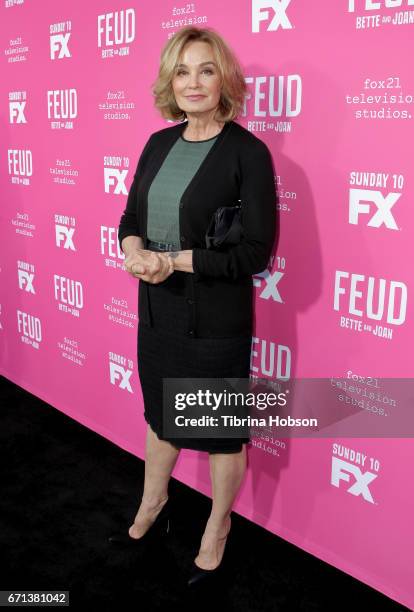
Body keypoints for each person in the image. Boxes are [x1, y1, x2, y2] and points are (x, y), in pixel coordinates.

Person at [111, 25, 278, 586]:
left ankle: (218, 525)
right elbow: (129, 221)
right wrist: (136, 252)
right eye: (182, 71)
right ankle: (153, 501)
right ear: (170, 82)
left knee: (220, 429)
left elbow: (255, 252)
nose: (194, 82)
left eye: (206, 69)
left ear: (224, 77)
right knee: (161, 418)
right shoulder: (158, 143)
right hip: (158, 312)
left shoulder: (247, 153)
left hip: (214, 320)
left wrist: (175, 261)